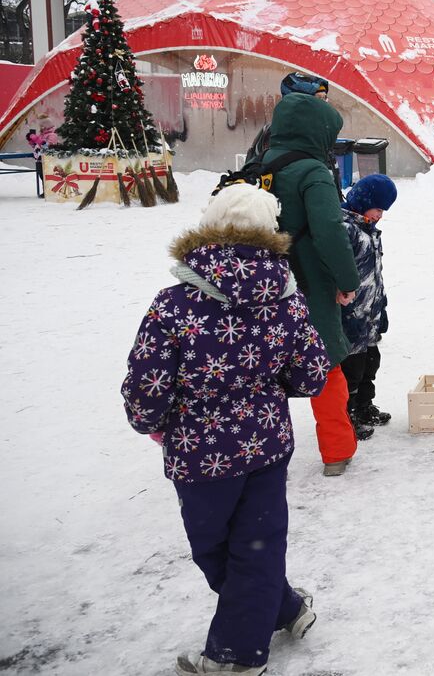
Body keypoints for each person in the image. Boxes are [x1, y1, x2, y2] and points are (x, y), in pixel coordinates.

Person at [121, 185, 326, 676]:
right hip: (267, 442)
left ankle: (234, 657)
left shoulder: (173, 303)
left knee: (217, 546)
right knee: (254, 545)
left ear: (209, 228)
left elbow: (148, 383)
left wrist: (150, 421)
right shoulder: (287, 301)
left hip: (199, 455)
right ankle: (285, 609)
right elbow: (311, 374)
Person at [264, 93, 362, 477]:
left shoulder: (260, 166)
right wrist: (347, 279)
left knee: (265, 372)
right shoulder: (312, 172)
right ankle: (337, 451)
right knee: (326, 366)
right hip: (305, 283)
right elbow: (329, 232)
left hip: (261, 285)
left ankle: (266, 453)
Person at [339, 174, 397, 437]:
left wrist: (380, 305)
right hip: (351, 312)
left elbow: (375, 273)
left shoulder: (369, 231)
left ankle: (364, 405)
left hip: (370, 312)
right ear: (364, 203)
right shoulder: (346, 230)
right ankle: (347, 413)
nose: (380, 215)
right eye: (378, 209)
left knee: (370, 363)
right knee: (352, 368)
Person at [246, 72, 330, 164]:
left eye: (324, 98)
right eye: (318, 98)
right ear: (299, 102)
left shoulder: (320, 131)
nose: (324, 104)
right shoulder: (277, 134)